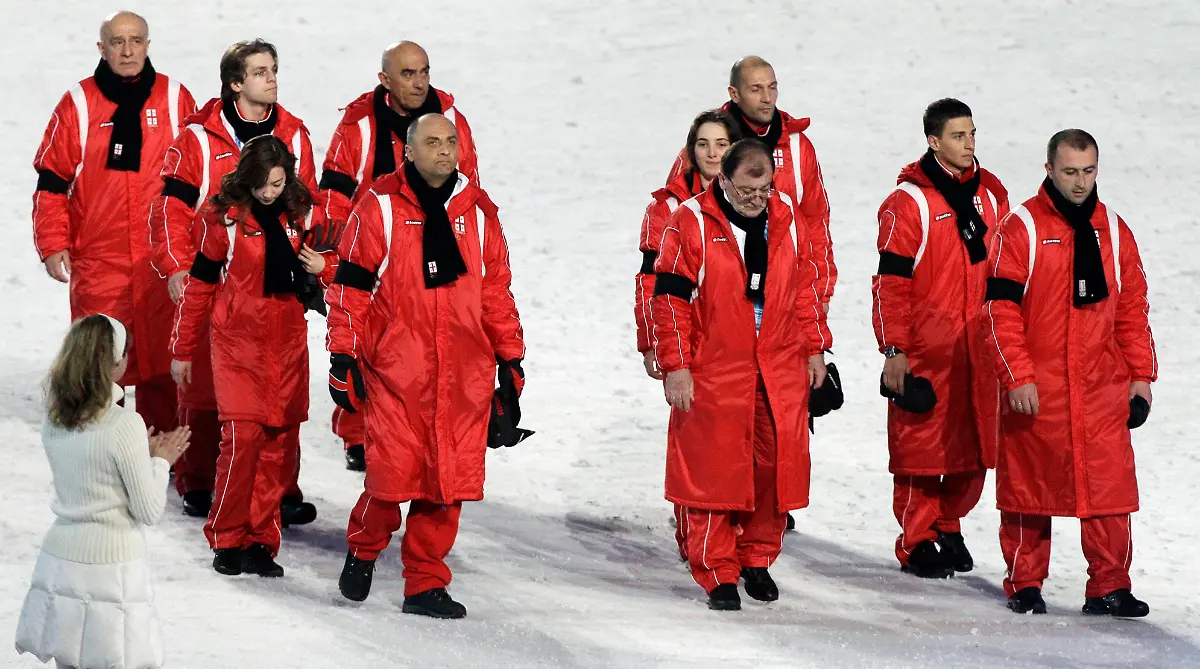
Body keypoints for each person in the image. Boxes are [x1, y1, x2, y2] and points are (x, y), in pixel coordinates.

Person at [328, 114, 525, 618]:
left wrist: (511, 359)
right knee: (392, 478)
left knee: (447, 483)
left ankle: (425, 584)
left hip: (465, 373)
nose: (443, 150)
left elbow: (495, 293)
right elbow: (350, 288)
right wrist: (343, 354)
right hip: (396, 370)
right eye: (431, 142)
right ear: (408, 152)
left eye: (451, 142)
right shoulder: (379, 207)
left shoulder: (479, 213)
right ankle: (364, 547)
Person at [650, 139, 832, 610]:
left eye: (766, 188)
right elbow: (670, 301)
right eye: (749, 189)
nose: (759, 198)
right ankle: (717, 571)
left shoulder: (787, 216)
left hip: (779, 364)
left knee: (775, 467)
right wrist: (677, 366)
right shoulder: (689, 221)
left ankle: (757, 559)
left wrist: (816, 349)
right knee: (714, 469)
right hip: (715, 368)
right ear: (723, 181)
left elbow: (805, 286)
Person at [984, 129, 1157, 617]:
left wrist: (1140, 376)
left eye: (1088, 171)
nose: (1080, 182)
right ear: (1049, 170)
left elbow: (1132, 310)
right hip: (1040, 384)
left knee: (1108, 489)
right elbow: (998, 311)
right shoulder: (1020, 227)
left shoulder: (1116, 232)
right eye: (1069, 172)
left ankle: (1109, 586)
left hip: (1102, 386)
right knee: (1028, 489)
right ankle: (1024, 582)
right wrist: (1017, 375)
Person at [151, 38, 320, 527]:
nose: (272, 79)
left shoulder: (296, 134)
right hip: (219, 281)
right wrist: (178, 265)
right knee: (205, 390)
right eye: (261, 71)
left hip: (274, 289)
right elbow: (169, 208)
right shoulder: (198, 140)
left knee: (282, 391)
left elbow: (310, 207)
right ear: (235, 82)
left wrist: (311, 266)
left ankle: (281, 488)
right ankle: (200, 480)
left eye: (274, 70)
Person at [169, 136, 336, 577]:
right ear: (246, 177)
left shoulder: (302, 214)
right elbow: (200, 286)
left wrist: (326, 267)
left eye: (277, 183)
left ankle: (262, 540)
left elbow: (345, 262)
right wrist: (183, 348)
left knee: (277, 448)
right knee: (242, 442)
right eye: (262, 184)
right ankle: (227, 537)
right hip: (237, 347)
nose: (268, 192)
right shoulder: (222, 221)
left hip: (287, 345)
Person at [32, 11, 195, 444]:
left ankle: (168, 456)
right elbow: (52, 180)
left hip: (162, 258)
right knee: (101, 363)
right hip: (100, 261)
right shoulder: (78, 104)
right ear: (101, 48)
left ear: (147, 44)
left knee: (165, 360)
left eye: (136, 41)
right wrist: (52, 242)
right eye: (117, 42)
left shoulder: (177, 99)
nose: (127, 51)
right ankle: (102, 453)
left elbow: (200, 178)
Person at [319, 41, 481, 472]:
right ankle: (358, 432)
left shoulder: (451, 121)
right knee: (368, 339)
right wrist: (335, 257)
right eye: (408, 74)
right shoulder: (357, 126)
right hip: (373, 247)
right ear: (385, 80)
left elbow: (469, 185)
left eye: (424, 71)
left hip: (433, 240)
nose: (419, 81)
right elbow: (335, 194)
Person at [871, 98, 1009, 578]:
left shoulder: (992, 196)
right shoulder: (907, 204)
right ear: (934, 141)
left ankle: (947, 524)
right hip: (928, 350)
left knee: (976, 449)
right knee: (922, 453)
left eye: (972, 133)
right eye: (957, 136)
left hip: (980, 349)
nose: (969, 144)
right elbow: (891, 282)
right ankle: (916, 539)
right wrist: (895, 348)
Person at [15, 314, 191, 669]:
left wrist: (145, 454)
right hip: (110, 570)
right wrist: (160, 461)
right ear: (117, 363)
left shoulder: (54, 418)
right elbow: (149, 510)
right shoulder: (124, 424)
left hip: (60, 560)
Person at [635, 109, 740, 562]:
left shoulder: (758, 201)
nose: (713, 153)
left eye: (721, 144)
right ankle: (694, 533)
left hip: (737, 340)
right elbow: (649, 282)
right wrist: (652, 342)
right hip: (687, 339)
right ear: (690, 150)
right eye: (704, 145)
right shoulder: (666, 207)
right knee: (693, 437)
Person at [665, 55, 835, 312]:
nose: (767, 98)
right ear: (735, 94)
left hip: (783, 298)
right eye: (756, 89)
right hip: (716, 299)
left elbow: (816, 222)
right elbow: (673, 226)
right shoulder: (708, 146)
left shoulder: (798, 148)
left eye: (772, 87)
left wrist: (821, 293)